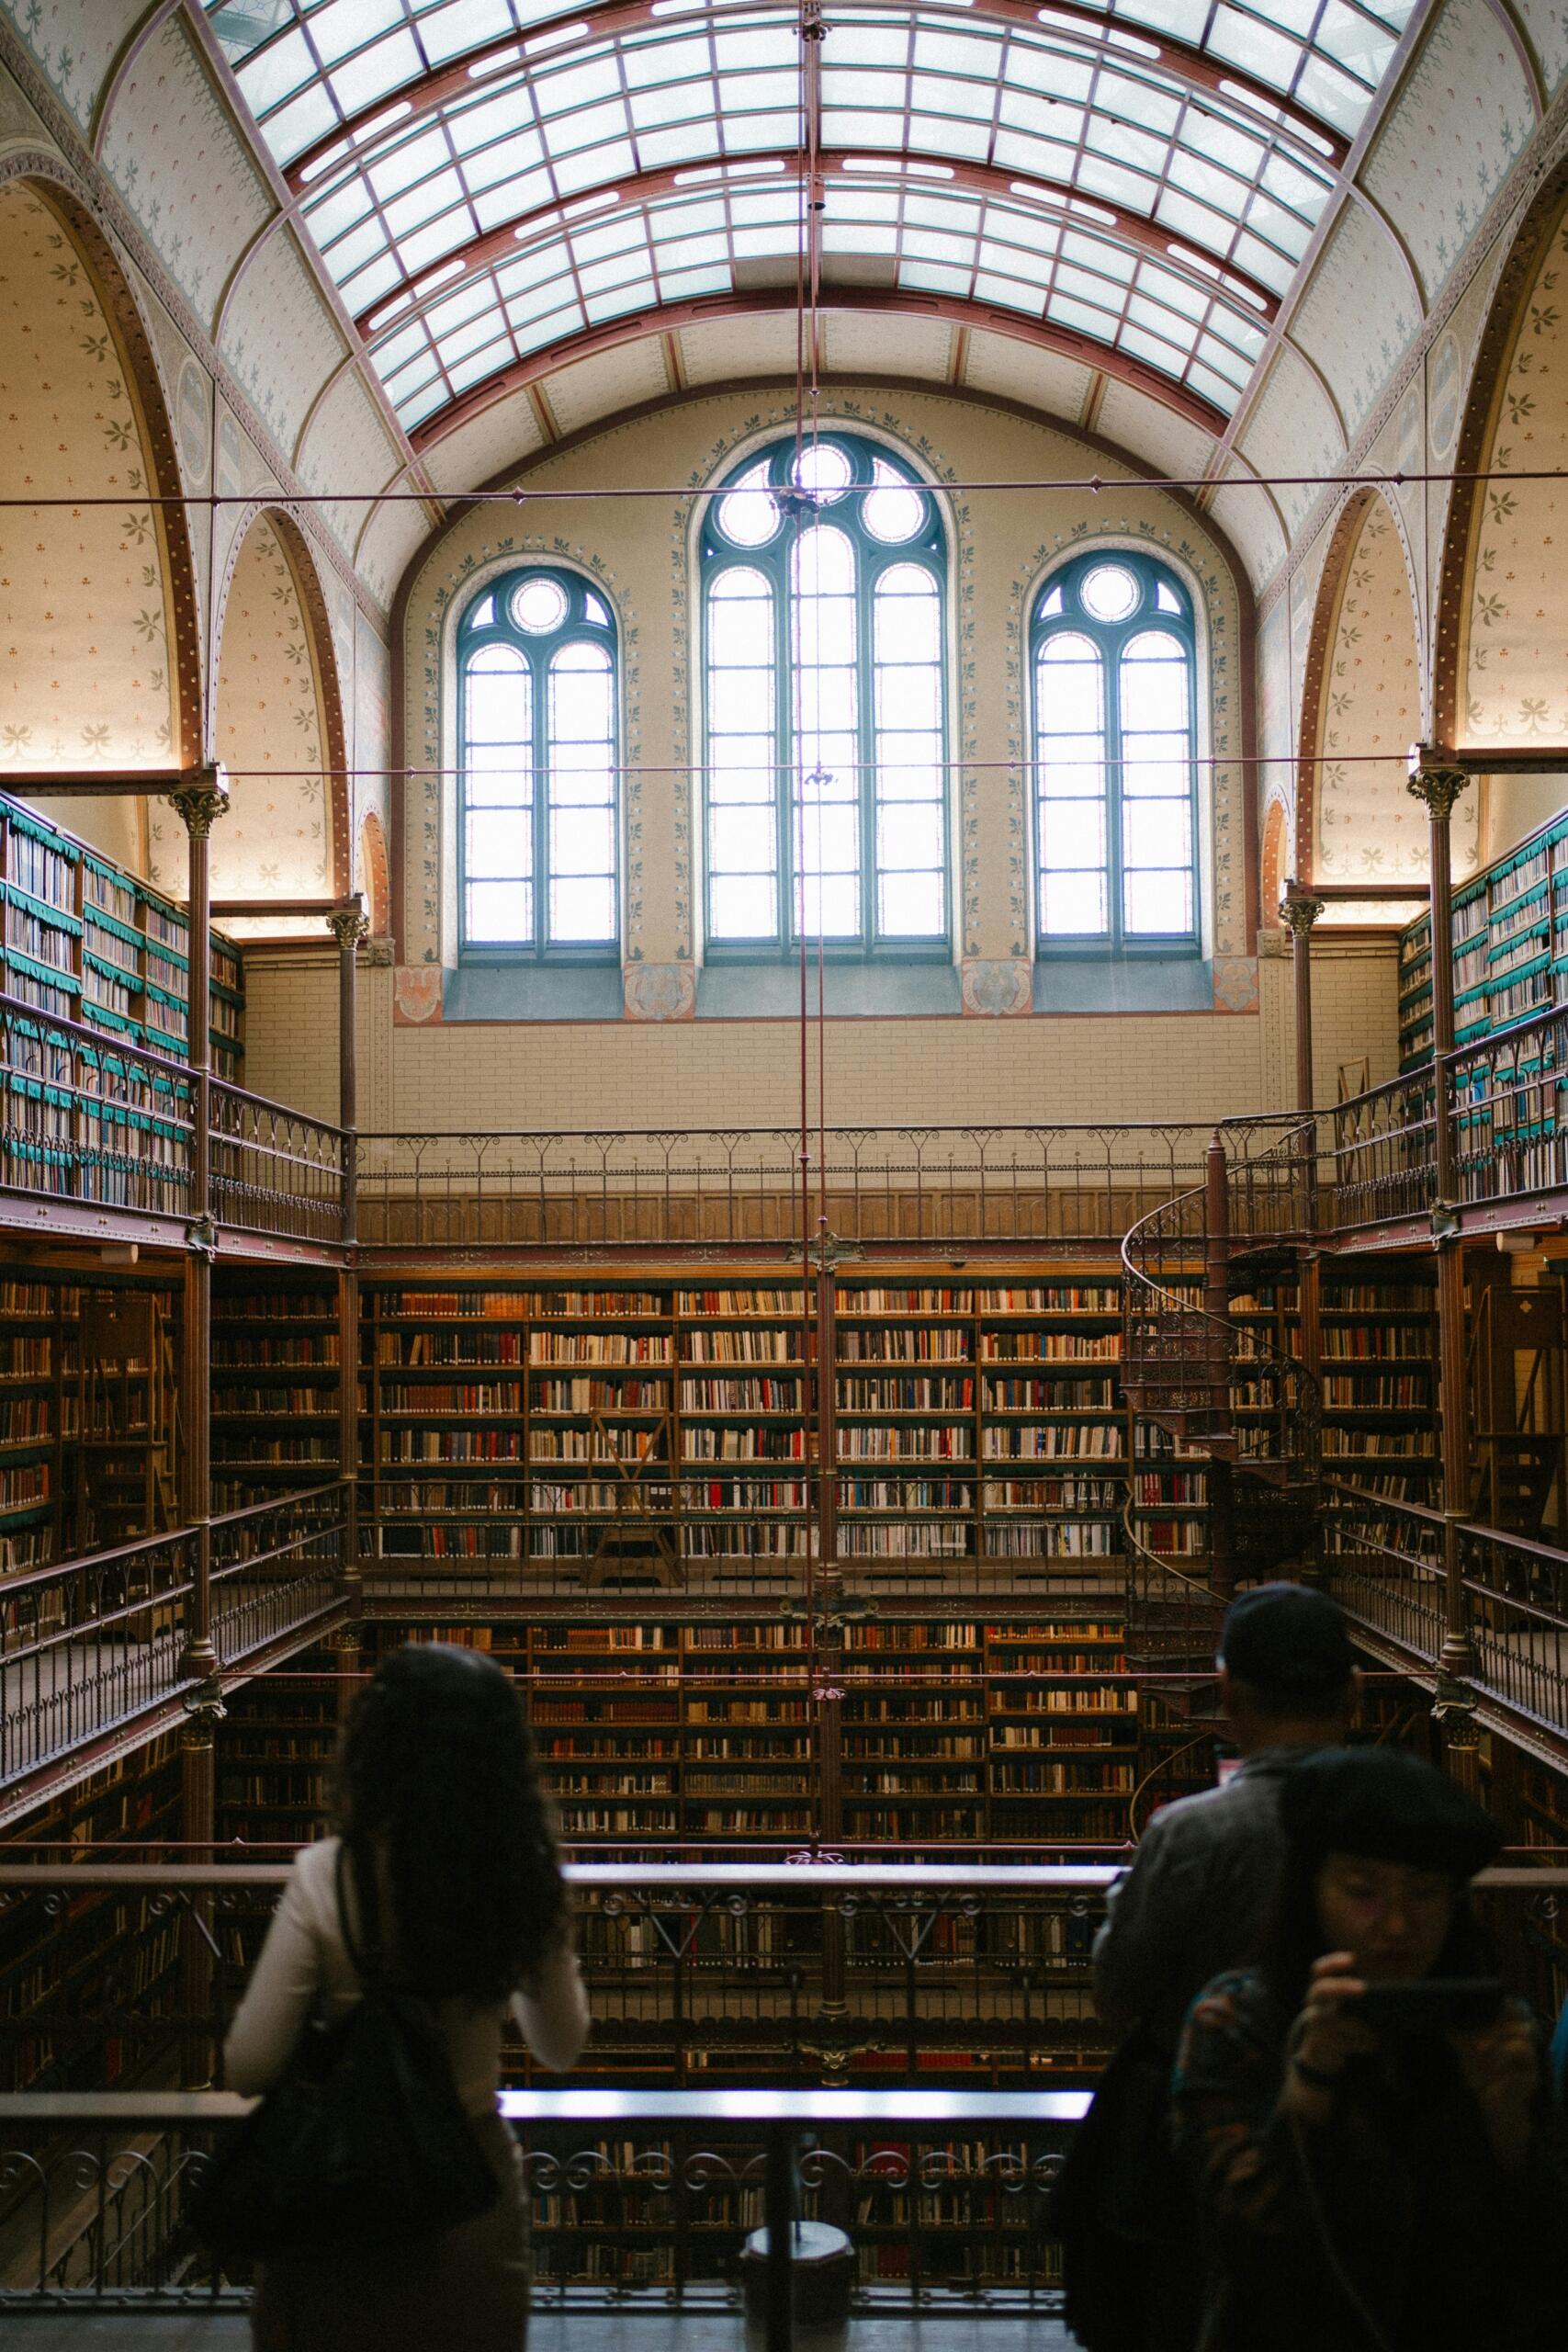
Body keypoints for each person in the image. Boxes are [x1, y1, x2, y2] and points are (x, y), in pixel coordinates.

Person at [225, 1641, 590, 2352]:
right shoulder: (519, 1873)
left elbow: (249, 2065)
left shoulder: (324, 1876)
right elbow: (560, 2045)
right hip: (470, 2190)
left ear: (373, 1747)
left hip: (337, 2192)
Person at [1172, 1745, 1568, 2352]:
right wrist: (1308, 2085)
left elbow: (1542, 2252)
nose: (1395, 1927)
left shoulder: (1496, 2033)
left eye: (1424, 1893)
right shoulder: (1232, 2022)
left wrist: (1510, 2128)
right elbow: (1244, 2248)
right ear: (1308, 1892)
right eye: (1363, 1892)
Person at [1056, 1582, 1359, 2352]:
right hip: (1369, 2142)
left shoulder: (1190, 1835)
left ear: (1223, 1691)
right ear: (1353, 1691)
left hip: (1195, 2149)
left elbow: (1116, 1995)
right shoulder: (1407, 1824)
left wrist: (1122, 1905)